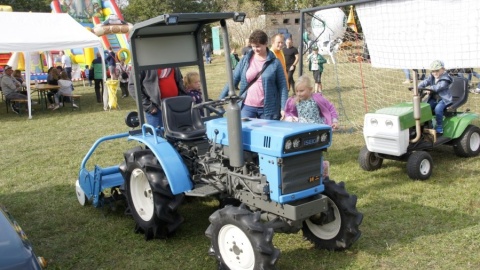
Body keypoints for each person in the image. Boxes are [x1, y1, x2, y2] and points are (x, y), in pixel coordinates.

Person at [219, 29, 288, 120]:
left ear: (266, 43)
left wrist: (284, 108)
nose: (255, 49)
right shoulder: (245, 60)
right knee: (244, 132)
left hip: (268, 110)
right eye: (253, 46)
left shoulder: (275, 62)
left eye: (258, 46)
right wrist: (220, 100)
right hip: (247, 107)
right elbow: (233, 80)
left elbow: (282, 86)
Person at [418, 60, 453, 134]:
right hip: (434, 98)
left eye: (437, 70)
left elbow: (440, 86)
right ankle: (429, 123)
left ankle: (439, 126)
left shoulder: (446, 78)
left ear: (443, 69)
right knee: (425, 107)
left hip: (444, 99)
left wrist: (431, 88)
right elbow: (426, 81)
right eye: (433, 71)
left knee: (438, 109)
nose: (435, 73)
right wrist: (418, 86)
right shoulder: (432, 76)